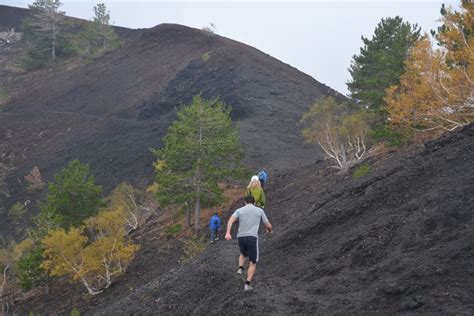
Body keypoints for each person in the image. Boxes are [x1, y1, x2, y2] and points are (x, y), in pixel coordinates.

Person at [225, 195, 273, 291]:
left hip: (240, 237)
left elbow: (230, 220)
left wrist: (228, 232)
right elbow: (268, 224)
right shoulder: (259, 211)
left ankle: (240, 268)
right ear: (254, 202)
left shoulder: (239, 210)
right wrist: (269, 230)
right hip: (252, 237)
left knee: (243, 253)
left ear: (245, 202)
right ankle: (247, 285)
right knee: (253, 262)